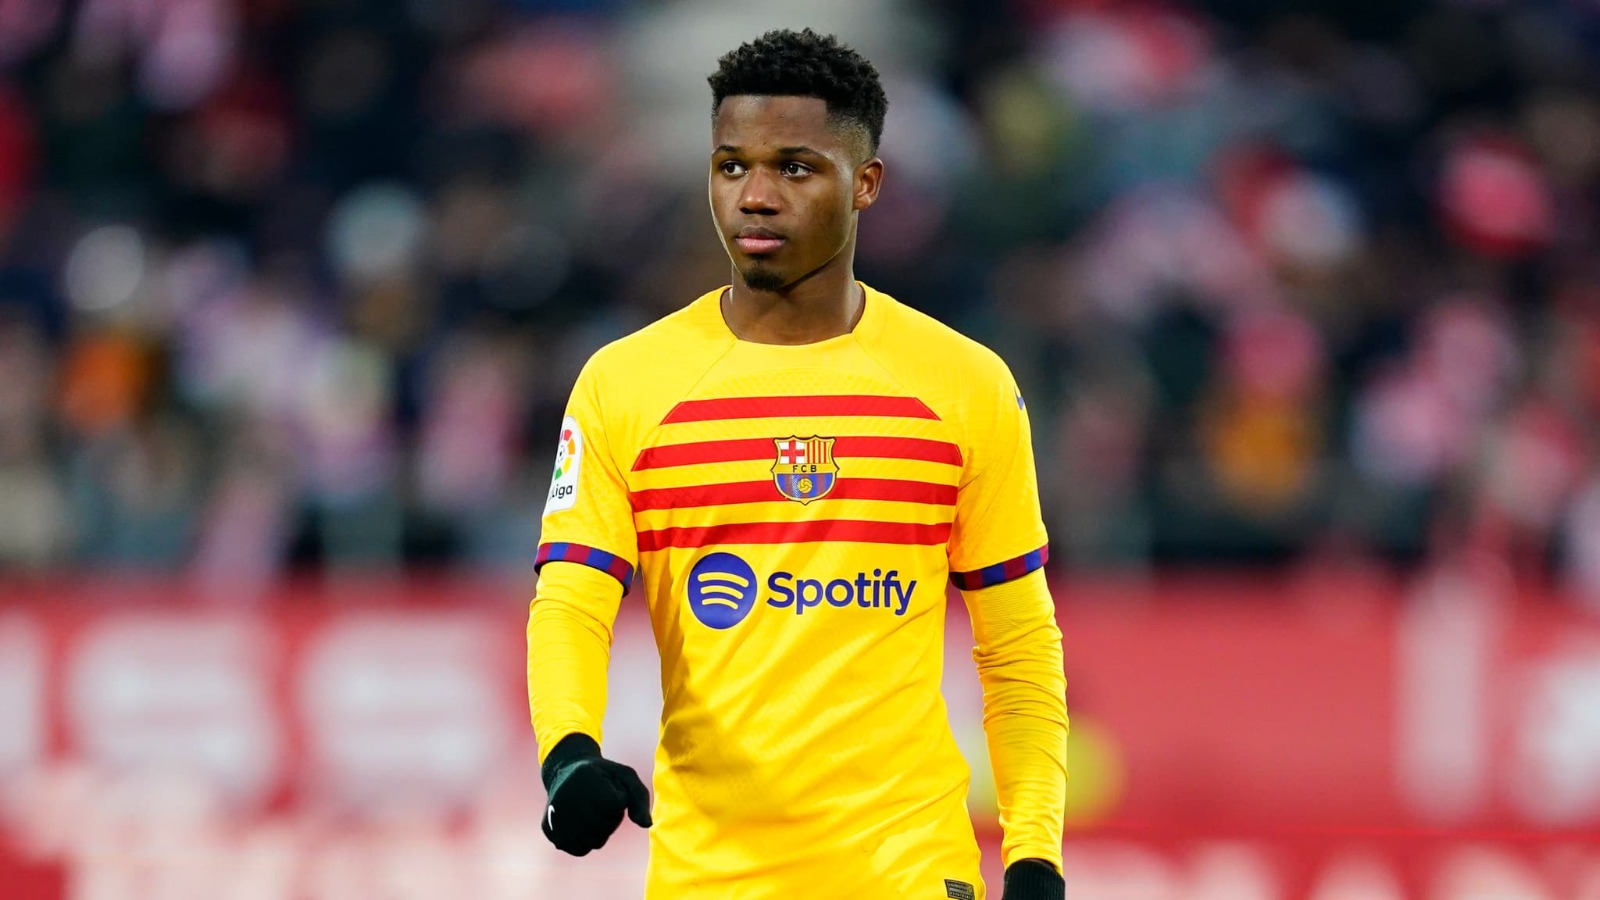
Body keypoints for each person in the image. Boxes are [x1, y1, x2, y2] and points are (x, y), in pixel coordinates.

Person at [527, 28, 1068, 899]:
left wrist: (1035, 853)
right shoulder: (625, 384)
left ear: (866, 183)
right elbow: (571, 602)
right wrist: (567, 755)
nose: (756, 196)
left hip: (908, 874)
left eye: (795, 168)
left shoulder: (965, 385)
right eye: (732, 166)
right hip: (707, 880)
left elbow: (1018, 648)